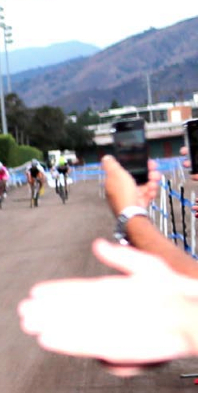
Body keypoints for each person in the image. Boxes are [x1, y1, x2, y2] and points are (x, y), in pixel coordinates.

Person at [18, 155, 198, 375]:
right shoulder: (36, 168)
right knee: (39, 185)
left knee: (47, 182)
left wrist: (131, 215)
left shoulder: (56, 166)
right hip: (49, 174)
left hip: (61, 176)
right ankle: (40, 193)